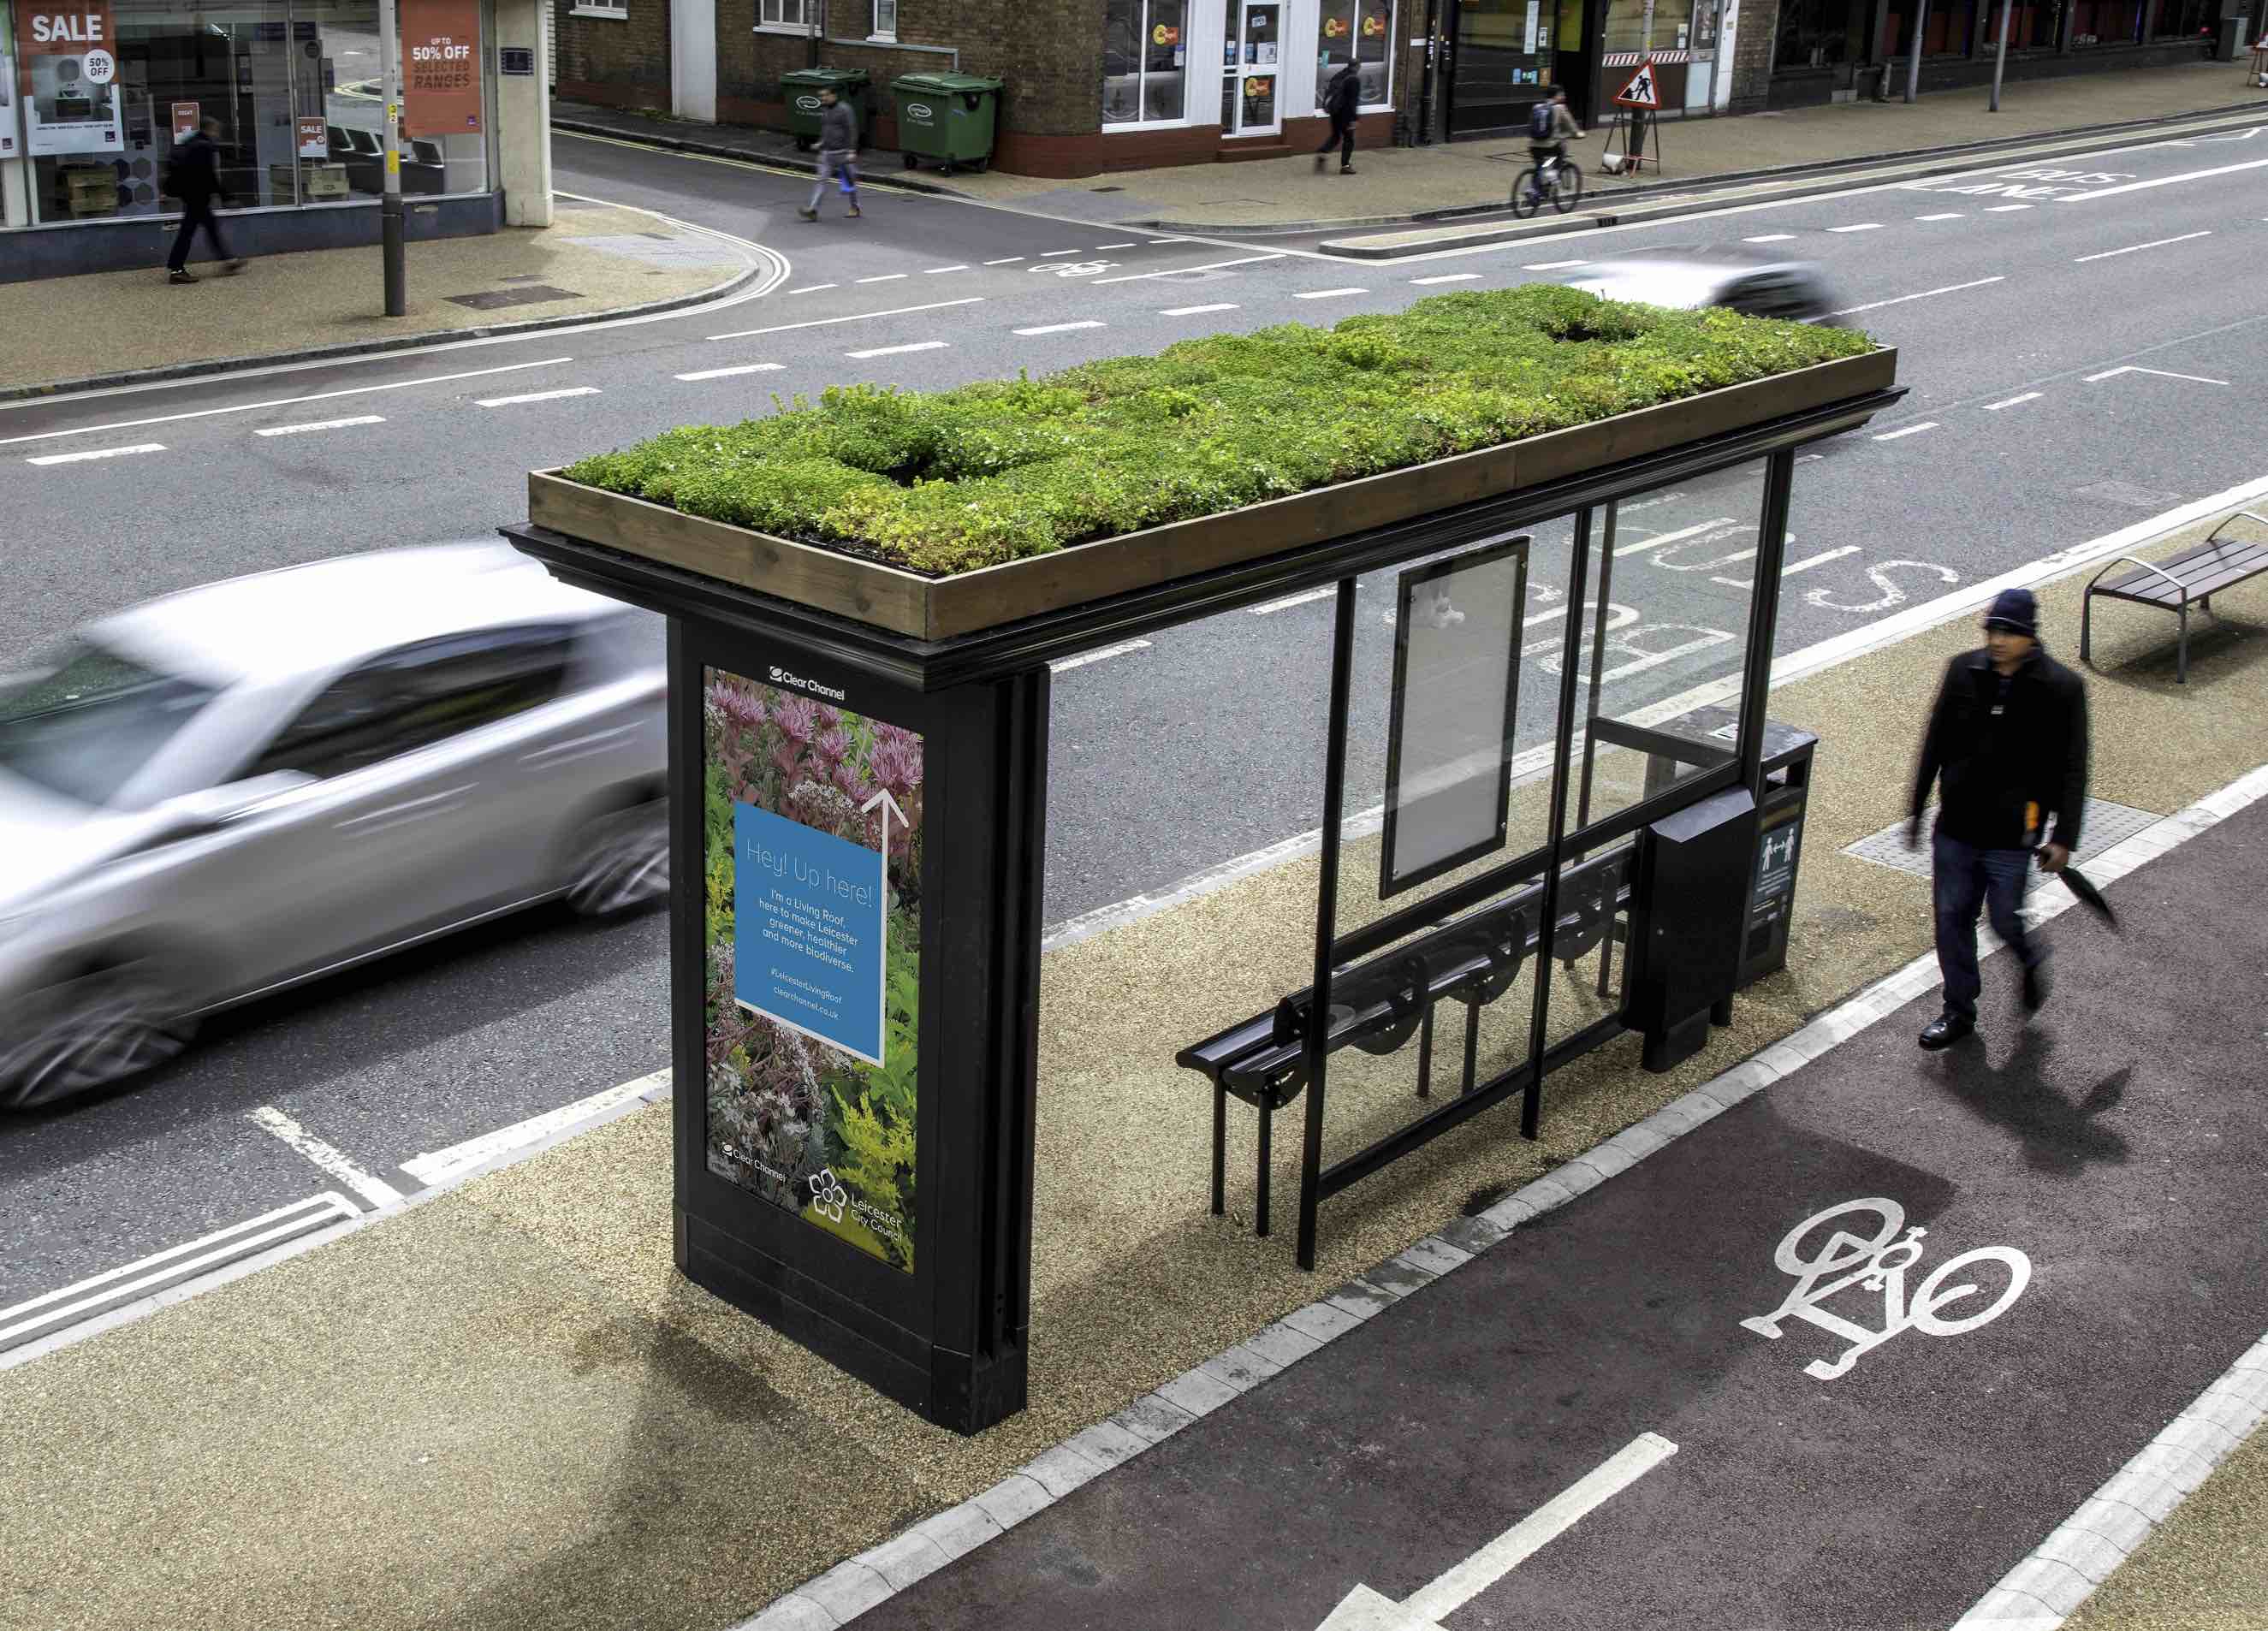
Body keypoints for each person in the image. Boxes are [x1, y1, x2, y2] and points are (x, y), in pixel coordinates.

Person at [1905, 587, 2089, 1052]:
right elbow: (1935, 740)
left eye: (2010, 632)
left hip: (2012, 834)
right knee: (1951, 920)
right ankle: (1958, 1011)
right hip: (1957, 827)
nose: (1999, 640)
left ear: (2030, 637)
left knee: (2005, 920)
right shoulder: (1962, 670)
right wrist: (1915, 807)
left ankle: (2029, 957)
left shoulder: (2062, 688)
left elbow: (2073, 768)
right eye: (1994, 630)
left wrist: (2064, 836)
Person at [164, 118, 246, 285]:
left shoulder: (190, 142)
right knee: (188, 232)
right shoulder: (203, 147)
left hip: (191, 194)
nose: (217, 135)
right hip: (197, 197)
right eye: (216, 131)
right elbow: (208, 176)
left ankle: (229, 261)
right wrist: (226, 197)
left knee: (210, 227)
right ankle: (176, 270)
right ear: (211, 129)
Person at [799, 88, 861, 222]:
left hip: (843, 153)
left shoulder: (845, 109)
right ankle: (813, 210)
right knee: (821, 181)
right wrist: (820, 144)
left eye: (826, 95)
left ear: (834, 95)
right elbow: (826, 130)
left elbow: (852, 130)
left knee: (849, 182)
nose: (823, 99)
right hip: (827, 153)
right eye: (821, 96)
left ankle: (855, 207)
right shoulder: (825, 110)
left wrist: (851, 151)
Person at [1527, 87, 1583, 196]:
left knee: (1540, 166)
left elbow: (1531, 125)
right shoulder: (1560, 108)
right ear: (1556, 96)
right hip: (1551, 146)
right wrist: (1578, 134)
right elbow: (1570, 125)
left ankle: (1533, 189)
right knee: (1561, 151)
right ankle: (1554, 173)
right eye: (1561, 95)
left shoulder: (1537, 107)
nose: (1564, 97)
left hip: (1534, 145)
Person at [1314, 61, 1361, 175]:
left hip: (1334, 112)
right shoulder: (1354, 80)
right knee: (1349, 139)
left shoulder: (1338, 75)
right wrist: (1354, 119)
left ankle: (1322, 152)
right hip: (1346, 114)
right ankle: (1345, 166)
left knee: (1335, 136)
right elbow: (1352, 101)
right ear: (1357, 67)